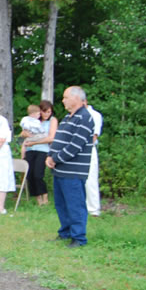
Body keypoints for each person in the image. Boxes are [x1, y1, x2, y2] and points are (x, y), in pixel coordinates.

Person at [46, 86, 94, 248]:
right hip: (60, 169)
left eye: (66, 97)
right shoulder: (68, 117)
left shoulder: (85, 118)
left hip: (73, 171)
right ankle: (65, 232)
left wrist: (56, 158)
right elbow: (58, 138)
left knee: (75, 204)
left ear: (76, 98)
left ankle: (79, 238)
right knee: (61, 204)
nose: (63, 100)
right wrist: (50, 155)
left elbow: (75, 146)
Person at [22, 100, 57, 206]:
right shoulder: (32, 120)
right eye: (44, 112)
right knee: (30, 175)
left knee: (38, 174)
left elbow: (51, 138)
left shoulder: (52, 120)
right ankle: (38, 199)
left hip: (43, 150)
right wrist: (25, 134)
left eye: (49, 112)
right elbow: (23, 133)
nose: (47, 114)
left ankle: (45, 197)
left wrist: (35, 142)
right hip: (30, 149)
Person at [85, 101, 103, 216]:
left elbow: (94, 136)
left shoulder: (94, 115)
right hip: (77, 150)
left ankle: (93, 209)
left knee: (90, 179)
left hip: (88, 148)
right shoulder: (73, 115)